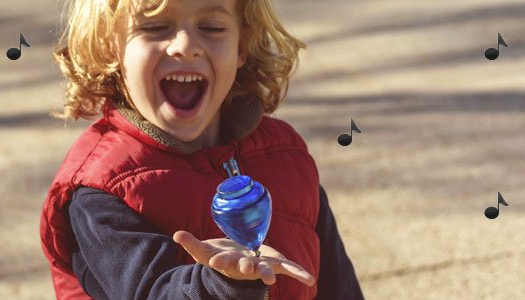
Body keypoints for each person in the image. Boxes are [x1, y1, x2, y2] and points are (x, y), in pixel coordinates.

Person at [39, 0, 364, 299]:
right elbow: (151, 291)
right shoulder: (103, 190)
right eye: (154, 27)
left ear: (242, 44)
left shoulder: (286, 156)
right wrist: (224, 282)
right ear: (110, 45)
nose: (186, 46)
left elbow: (338, 286)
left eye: (211, 27)